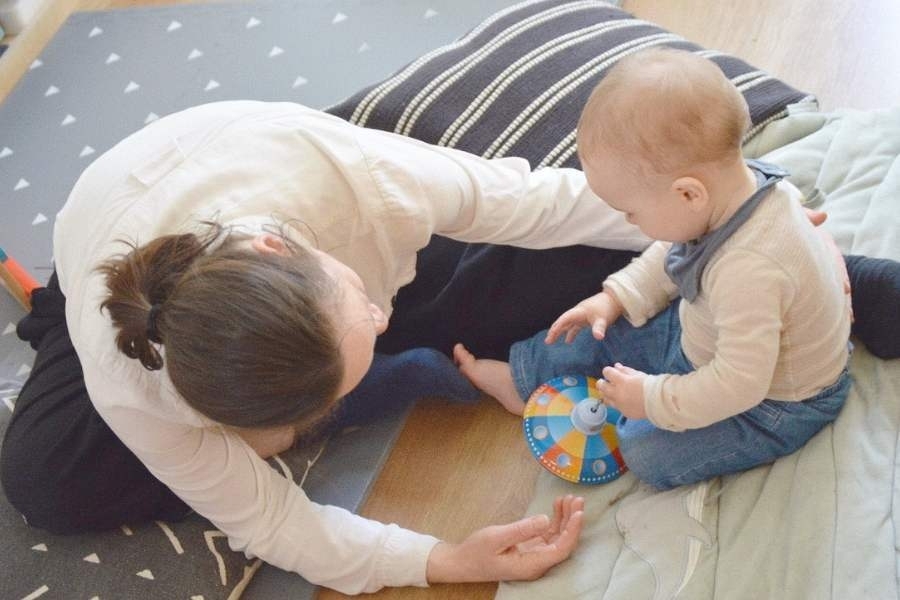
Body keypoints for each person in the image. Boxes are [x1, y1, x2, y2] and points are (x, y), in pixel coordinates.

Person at [0, 99, 657, 595]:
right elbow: (275, 523)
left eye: (361, 307)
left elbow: (536, 203)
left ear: (278, 245)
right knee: (45, 480)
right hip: (111, 299)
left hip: (268, 169)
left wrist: (731, 209)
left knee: (597, 260)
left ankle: (363, 368)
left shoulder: (363, 178)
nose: (378, 317)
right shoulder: (139, 389)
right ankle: (372, 373)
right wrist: (445, 559)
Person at [454, 48, 856, 490]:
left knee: (645, 450)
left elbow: (741, 385)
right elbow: (675, 249)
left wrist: (652, 400)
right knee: (602, 326)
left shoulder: (751, 271)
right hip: (703, 336)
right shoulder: (738, 188)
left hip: (774, 402)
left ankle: (647, 403)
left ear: (688, 195)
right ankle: (522, 378)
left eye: (630, 212)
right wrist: (616, 296)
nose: (629, 223)